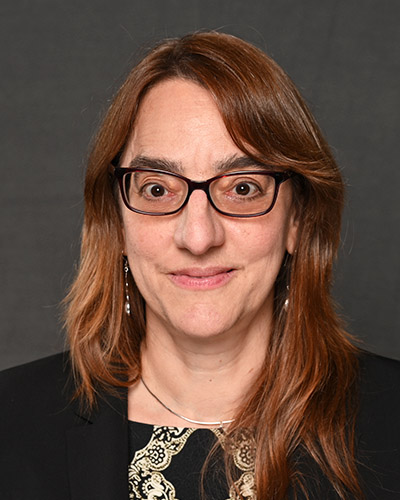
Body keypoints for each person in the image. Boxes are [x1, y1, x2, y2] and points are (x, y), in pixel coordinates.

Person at [1, 31, 399, 500]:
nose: (198, 237)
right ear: (116, 221)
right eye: (157, 189)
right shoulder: (11, 422)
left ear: (298, 219)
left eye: (243, 188)